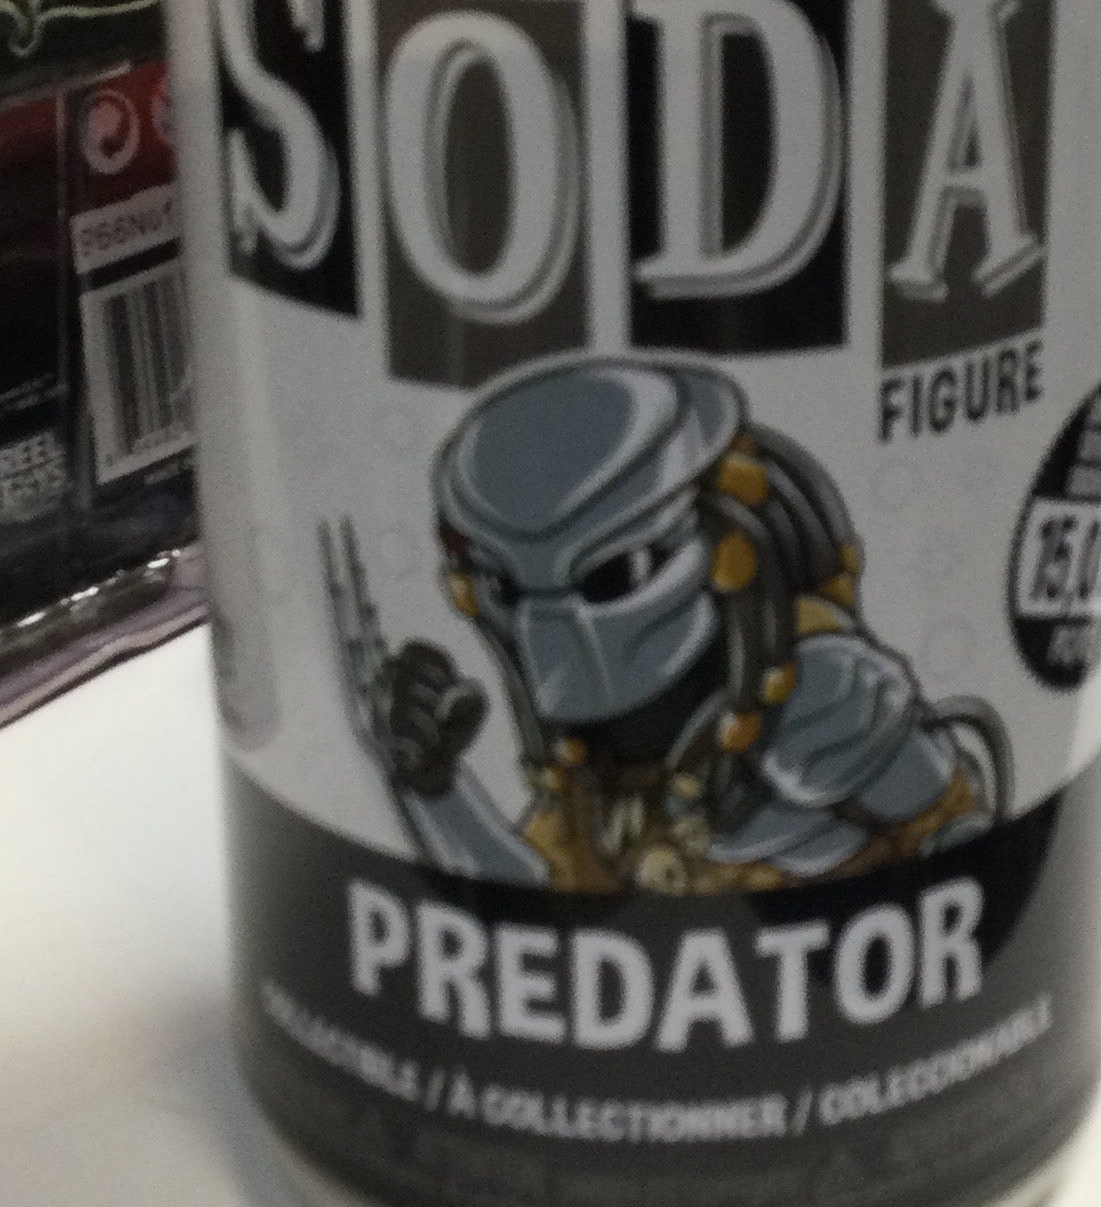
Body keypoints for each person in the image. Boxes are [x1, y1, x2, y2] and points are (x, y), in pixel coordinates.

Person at [325, 356, 1009, 893]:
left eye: (612, 576)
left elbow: (958, 841)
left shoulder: (815, 693)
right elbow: (540, 912)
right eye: (507, 588)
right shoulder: (590, 760)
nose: (552, 639)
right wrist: (435, 787)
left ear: (718, 548)